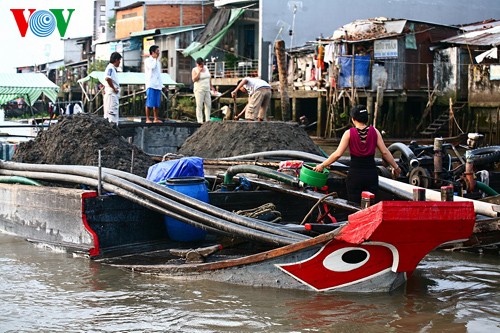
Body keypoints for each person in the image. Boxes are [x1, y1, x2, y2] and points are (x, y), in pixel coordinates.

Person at [313, 105, 401, 203]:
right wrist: (396, 167)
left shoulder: (349, 133)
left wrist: (322, 165)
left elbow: (337, 154)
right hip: (371, 175)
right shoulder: (375, 132)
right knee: (370, 206)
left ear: (353, 119)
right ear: (366, 119)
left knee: (354, 205)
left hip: (355, 175)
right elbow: (385, 152)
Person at [191, 57, 214, 123]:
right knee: (199, 105)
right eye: (200, 64)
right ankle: (200, 120)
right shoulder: (194, 69)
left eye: (202, 64)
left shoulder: (206, 68)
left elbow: (209, 77)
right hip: (199, 89)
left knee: (208, 104)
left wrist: (211, 86)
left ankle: (207, 120)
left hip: (207, 89)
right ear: (197, 64)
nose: (202, 65)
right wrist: (199, 72)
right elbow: (194, 79)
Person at [144, 45, 163, 123]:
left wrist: (162, 85)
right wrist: (155, 59)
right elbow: (152, 67)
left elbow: (158, 74)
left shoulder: (158, 62)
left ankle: (155, 118)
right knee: (149, 103)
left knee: (156, 104)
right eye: (157, 51)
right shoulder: (148, 60)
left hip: (157, 85)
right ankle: (147, 118)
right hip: (151, 84)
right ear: (153, 52)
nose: (158, 53)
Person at [103, 51, 122, 125]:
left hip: (113, 94)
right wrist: (113, 88)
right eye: (119, 61)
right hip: (112, 94)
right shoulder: (110, 68)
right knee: (111, 115)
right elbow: (108, 78)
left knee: (113, 115)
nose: (119, 63)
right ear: (116, 60)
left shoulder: (112, 69)